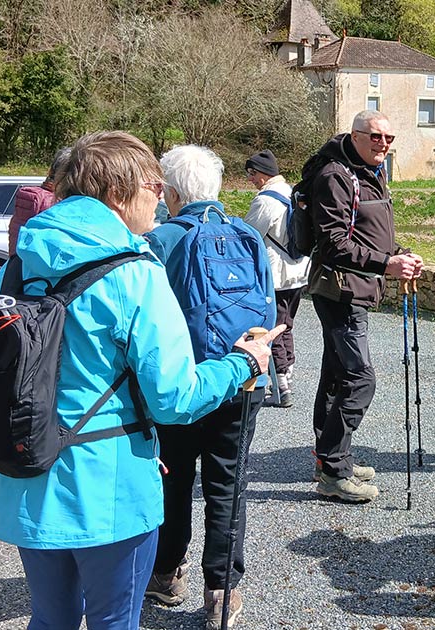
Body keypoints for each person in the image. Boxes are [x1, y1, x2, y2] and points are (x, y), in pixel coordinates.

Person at [0, 132, 281, 630]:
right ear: (120, 195)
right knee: (114, 619)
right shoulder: (133, 271)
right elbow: (175, 398)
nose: (160, 197)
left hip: (25, 473)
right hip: (108, 489)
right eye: (154, 186)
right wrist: (243, 364)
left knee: (51, 618)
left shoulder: (18, 262)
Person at [142, 145, 273, 628]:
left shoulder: (161, 240)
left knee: (172, 479)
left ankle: (166, 572)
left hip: (185, 381)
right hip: (243, 377)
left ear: (171, 192)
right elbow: (269, 311)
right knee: (228, 484)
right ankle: (222, 591)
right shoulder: (247, 234)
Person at [307, 110, 422, 503]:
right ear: (355, 135)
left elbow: (373, 234)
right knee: (360, 378)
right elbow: (334, 242)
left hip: (355, 287)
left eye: (389, 138)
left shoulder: (370, 172)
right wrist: (387, 264)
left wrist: (400, 255)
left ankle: (329, 459)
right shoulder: (335, 176)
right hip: (339, 290)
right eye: (375, 137)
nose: (383, 144)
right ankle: (334, 472)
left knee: (339, 374)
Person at [244, 149, 309, 408]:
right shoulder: (292, 193)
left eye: (251, 174)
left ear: (261, 175)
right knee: (287, 325)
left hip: (277, 276)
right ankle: (286, 376)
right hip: (298, 273)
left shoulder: (265, 201)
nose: (250, 180)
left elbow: (249, 236)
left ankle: (281, 384)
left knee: (275, 328)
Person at [7, 147, 70, 255]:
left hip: (15, 263)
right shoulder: (54, 203)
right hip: (35, 269)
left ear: (50, 170)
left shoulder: (28, 195)